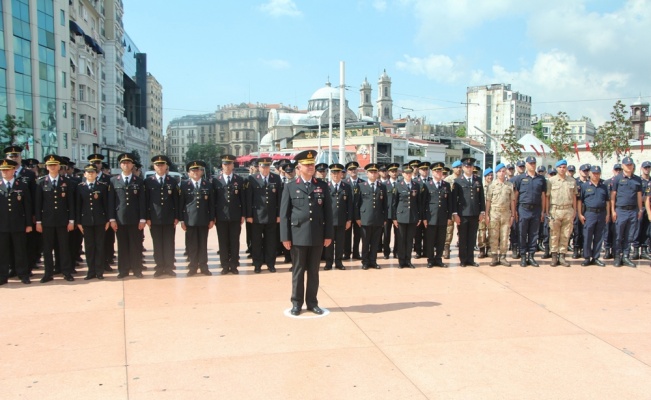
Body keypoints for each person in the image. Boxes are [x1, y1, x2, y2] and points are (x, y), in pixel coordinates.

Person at [280, 150, 333, 316]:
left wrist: (328, 235)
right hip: (297, 235)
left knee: (314, 271)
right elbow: (284, 214)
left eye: (312, 164)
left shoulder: (322, 186)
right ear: (299, 167)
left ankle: (312, 302)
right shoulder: (290, 186)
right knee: (298, 270)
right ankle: (296, 303)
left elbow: (328, 213)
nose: (311, 167)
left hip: (317, 235)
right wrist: (285, 237)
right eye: (307, 164)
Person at [35, 155, 75, 282]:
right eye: (50, 165)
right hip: (47, 221)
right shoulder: (41, 182)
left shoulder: (66, 182)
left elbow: (71, 203)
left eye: (55, 165)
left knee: (64, 247)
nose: (52, 167)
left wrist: (71, 220)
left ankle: (66, 272)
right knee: (47, 249)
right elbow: (38, 204)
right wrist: (38, 221)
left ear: (59, 166)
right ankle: (48, 273)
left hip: (63, 221)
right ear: (46, 167)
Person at [110, 153, 146, 278]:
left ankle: (137, 269)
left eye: (128, 163)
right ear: (120, 165)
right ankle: (123, 270)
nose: (126, 165)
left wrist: (142, 218)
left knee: (136, 245)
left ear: (132, 165)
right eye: (123, 163)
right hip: (120, 219)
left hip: (135, 219)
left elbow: (142, 201)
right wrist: (112, 219)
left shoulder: (139, 181)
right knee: (122, 246)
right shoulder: (114, 181)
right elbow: (111, 201)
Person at [145, 155, 179, 277]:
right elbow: (146, 201)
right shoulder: (148, 182)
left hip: (169, 218)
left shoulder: (173, 181)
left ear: (166, 166)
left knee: (169, 243)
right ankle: (159, 266)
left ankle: (169, 267)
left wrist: (177, 217)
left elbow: (176, 201)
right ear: (154, 167)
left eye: (162, 165)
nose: (160, 167)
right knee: (157, 244)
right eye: (157, 165)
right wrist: (147, 217)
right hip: (154, 218)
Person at [0, 159, 33, 284]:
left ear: (13, 170)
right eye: (2, 170)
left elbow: (27, 206)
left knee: (20, 251)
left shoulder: (21, 185)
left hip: (18, 224)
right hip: (2, 225)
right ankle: (3, 276)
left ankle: (23, 274)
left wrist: (29, 224)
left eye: (7, 169)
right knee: (3, 252)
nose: (4, 172)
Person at [246, 156, 281, 273]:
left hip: (271, 215)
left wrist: (278, 214)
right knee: (256, 242)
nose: (265, 169)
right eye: (263, 166)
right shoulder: (252, 179)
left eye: (267, 166)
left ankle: (271, 264)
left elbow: (279, 198)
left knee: (271, 242)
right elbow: (249, 198)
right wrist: (249, 215)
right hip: (256, 216)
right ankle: (257, 264)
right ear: (259, 167)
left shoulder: (276, 178)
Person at [76, 164, 111, 280]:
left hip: (100, 221)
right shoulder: (80, 187)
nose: (90, 174)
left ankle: (100, 271)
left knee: (100, 246)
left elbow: (106, 204)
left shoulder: (102, 187)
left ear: (96, 174)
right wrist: (79, 222)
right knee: (89, 247)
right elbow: (78, 206)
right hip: (86, 221)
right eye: (88, 172)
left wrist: (107, 220)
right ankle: (91, 271)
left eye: (93, 172)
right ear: (84, 174)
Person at [180, 161, 215, 276]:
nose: (195, 172)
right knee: (192, 245)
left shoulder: (207, 184)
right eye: (192, 170)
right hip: (190, 220)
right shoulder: (184, 185)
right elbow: (181, 204)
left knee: (203, 245)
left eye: (197, 170)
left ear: (201, 171)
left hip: (204, 219)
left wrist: (211, 219)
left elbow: (211, 203)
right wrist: (182, 220)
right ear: (188, 173)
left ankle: (204, 267)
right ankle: (193, 267)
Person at [213, 154, 245, 274]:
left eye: (229, 164)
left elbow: (243, 199)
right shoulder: (216, 180)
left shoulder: (239, 180)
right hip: (221, 216)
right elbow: (213, 200)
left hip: (235, 216)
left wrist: (243, 214)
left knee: (234, 241)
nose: (227, 166)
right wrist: (213, 216)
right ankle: (225, 265)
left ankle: (234, 265)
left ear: (233, 165)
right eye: (225, 164)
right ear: (222, 165)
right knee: (223, 241)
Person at [513, 156, 547, 267]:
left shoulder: (541, 179)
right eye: (530, 163)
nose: (532, 165)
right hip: (523, 209)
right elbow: (516, 196)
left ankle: (531, 256)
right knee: (522, 233)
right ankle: (523, 256)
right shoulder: (520, 178)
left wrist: (543, 211)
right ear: (526, 165)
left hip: (536, 209)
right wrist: (515, 211)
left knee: (534, 234)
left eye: (534, 163)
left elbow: (543, 196)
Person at [452, 157, 485, 267]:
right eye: (467, 166)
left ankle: (470, 259)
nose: (469, 168)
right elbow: (454, 199)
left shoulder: (478, 180)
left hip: (475, 213)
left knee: (472, 237)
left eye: (470, 166)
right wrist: (455, 214)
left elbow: (481, 198)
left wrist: (482, 212)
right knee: (463, 238)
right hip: (462, 214)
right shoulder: (458, 181)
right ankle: (463, 259)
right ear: (462, 167)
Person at [610, 157, 643, 267]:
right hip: (621, 210)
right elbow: (613, 196)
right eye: (627, 165)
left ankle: (626, 256)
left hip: (633, 210)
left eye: (631, 165)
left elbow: (639, 195)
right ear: (623, 166)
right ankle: (617, 257)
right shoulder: (617, 179)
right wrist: (613, 211)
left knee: (630, 236)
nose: (629, 166)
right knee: (619, 235)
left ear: (633, 166)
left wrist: (640, 209)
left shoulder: (637, 180)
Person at [392, 163, 425, 268]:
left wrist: (419, 217)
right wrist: (394, 218)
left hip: (413, 216)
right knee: (401, 240)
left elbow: (419, 202)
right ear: (403, 174)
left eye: (410, 173)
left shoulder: (416, 185)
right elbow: (394, 203)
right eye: (406, 173)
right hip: (401, 216)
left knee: (410, 240)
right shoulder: (398, 185)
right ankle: (401, 261)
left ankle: (408, 260)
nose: (408, 175)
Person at [545, 160, 577, 267]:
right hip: (555, 210)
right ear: (557, 168)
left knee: (566, 234)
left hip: (568, 210)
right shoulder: (551, 181)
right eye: (560, 167)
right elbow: (547, 197)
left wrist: (575, 211)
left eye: (564, 167)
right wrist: (547, 211)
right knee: (554, 234)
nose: (562, 169)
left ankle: (562, 256)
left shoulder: (572, 181)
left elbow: (574, 197)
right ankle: (554, 256)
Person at [356, 163, 387, 269]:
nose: (373, 174)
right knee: (365, 241)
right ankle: (365, 261)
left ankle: (373, 261)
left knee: (375, 242)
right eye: (371, 172)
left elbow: (385, 204)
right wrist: (357, 218)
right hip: (365, 218)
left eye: (375, 172)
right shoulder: (361, 186)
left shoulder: (382, 187)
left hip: (378, 218)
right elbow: (357, 203)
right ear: (367, 173)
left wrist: (385, 218)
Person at [87, 153, 115, 272]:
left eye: (98, 163)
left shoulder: (108, 179)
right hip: (89, 216)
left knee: (107, 241)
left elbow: (111, 199)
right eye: (93, 163)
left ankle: (106, 262)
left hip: (104, 215)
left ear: (101, 164)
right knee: (91, 243)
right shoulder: (85, 178)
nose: (96, 165)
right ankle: (93, 265)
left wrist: (110, 217)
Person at [578, 166, 610, 267]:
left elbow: (607, 201)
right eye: (594, 173)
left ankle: (596, 257)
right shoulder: (584, 186)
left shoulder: (604, 186)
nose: (596, 175)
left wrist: (608, 214)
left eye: (597, 173)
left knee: (599, 236)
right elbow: (580, 201)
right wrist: (579, 214)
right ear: (590, 174)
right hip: (589, 214)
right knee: (587, 236)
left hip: (601, 214)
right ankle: (587, 257)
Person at [485, 163, 515, 267]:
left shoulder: (510, 185)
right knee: (493, 235)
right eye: (499, 171)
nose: (502, 173)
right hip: (494, 213)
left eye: (503, 171)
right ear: (496, 173)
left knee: (504, 235)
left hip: (506, 213)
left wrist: (513, 215)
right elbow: (488, 201)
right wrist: (487, 215)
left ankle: (503, 257)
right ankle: (494, 256)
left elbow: (512, 201)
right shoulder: (492, 185)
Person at [423, 162, 453, 268]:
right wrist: (424, 218)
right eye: (437, 171)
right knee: (430, 240)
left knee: (441, 239)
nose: (439, 173)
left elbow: (450, 203)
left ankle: (438, 258)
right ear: (432, 172)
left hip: (443, 217)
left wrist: (449, 217)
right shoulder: (427, 185)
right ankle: (430, 259)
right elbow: (424, 203)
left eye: (440, 171)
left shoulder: (446, 185)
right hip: (431, 217)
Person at [324, 163, 352, 271]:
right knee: (329, 243)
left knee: (340, 243)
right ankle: (328, 262)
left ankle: (339, 262)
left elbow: (349, 205)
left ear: (342, 174)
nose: (335, 175)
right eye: (333, 173)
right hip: (329, 221)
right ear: (331, 174)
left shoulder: (346, 187)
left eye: (338, 173)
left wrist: (349, 219)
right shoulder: (326, 186)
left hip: (341, 220)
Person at [344, 161, 364, 260]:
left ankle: (356, 253)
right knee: (346, 235)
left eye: (355, 169)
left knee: (358, 235)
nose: (353, 171)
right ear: (347, 172)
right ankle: (346, 253)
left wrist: (358, 216)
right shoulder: (344, 183)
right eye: (351, 170)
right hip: (347, 214)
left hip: (359, 215)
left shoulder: (362, 183)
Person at [443, 160, 462, 258]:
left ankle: (462, 250)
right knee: (449, 230)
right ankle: (446, 249)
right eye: (457, 167)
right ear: (453, 168)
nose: (459, 169)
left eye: (460, 167)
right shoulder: (448, 179)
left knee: (462, 230)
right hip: (450, 208)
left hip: (461, 208)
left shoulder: (464, 179)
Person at [603, 163, 622, 259]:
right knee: (607, 231)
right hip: (607, 210)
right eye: (616, 169)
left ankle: (615, 250)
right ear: (613, 170)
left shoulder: (622, 181)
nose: (618, 171)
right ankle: (607, 249)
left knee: (616, 231)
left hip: (617, 209)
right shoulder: (606, 182)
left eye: (620, 170)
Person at [572, 164, 591, 259]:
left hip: (587, 209)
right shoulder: (574, 182)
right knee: (576, 230)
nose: (585, 172)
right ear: (579, 171)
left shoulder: (590, 182)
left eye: (587, 171)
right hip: (576, 208)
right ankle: (576, 249)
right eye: (584, 171)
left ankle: (584, 249)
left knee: (586, 231)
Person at [633, 160, 651, 260]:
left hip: (649, 208)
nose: (647, 169)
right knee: (637, 228)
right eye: (645, 168)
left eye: (649, 167)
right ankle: (635, 250)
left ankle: (644, 250)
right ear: (641, 168)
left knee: (646, 229)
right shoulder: (638, 180)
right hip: (639, 207)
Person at [413, 161, 431, 258]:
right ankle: (418, 251)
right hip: (418, 211)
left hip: (429, 211)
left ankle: (426, 251)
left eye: (426, 169)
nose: (425, 171)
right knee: (418, 233)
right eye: (423, 169)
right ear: (419, 170)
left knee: (428, 233)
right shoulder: (415, 182)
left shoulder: (431, 181)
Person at [382, 163, 400, 259]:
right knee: (386, 234)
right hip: (387, 214)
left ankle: (396, 251)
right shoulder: (384, 185)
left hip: (398, 214)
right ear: (388, 172)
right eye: (392, 171)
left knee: (398, 234)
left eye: (395, 171)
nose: (394, 173)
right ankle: (386, 252)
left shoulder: (401, 184)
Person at [477, 168, 493, 258]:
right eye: (488, 176)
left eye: (491, 175)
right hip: (482, 213)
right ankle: (482, 249)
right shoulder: (481, 187)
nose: (490, 177)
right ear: (485, 177)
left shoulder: (494, 187)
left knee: (491, 231)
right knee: (481, 232)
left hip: (492, 213)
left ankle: (489, 248)